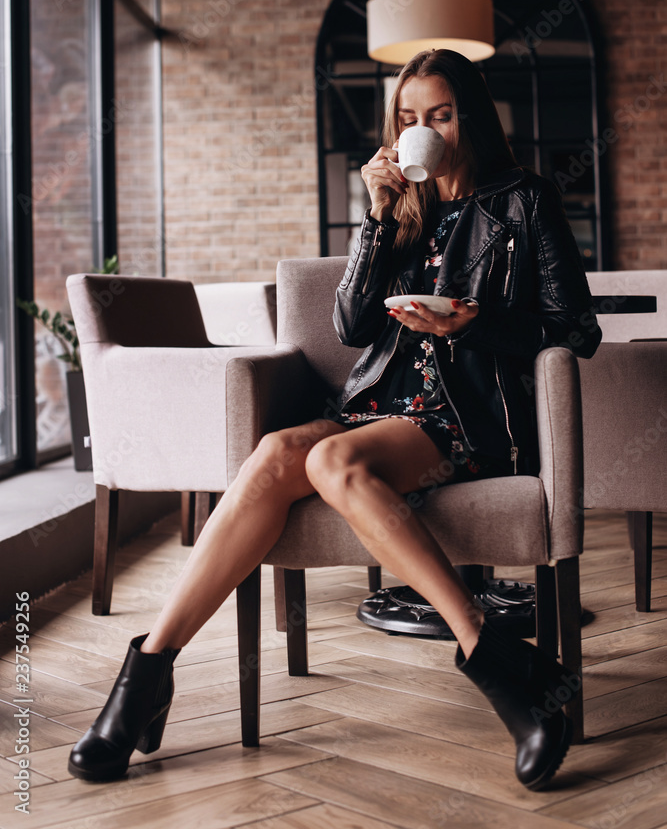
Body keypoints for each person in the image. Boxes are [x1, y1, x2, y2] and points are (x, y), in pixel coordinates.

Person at [68, 49, 601, 792]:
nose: (426, 130)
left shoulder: (523, 199)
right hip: (375, 408)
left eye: (440, 115)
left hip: (467, 418)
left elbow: (575, 330)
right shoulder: (399, 212)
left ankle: (491, 655)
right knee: (277, 453)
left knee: (329, 463)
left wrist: (471, 326)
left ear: (470, 116)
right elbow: (351, 326)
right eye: (409, 119)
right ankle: (149, 670)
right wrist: (376, 219)